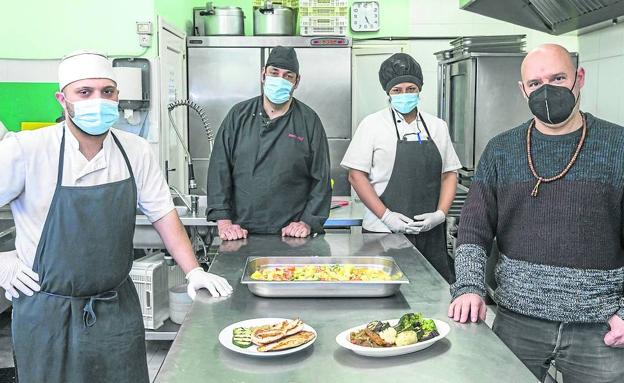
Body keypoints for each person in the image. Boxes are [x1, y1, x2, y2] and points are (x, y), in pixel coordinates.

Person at [0, 50, 233, 383]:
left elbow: (163, 214)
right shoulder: (26, 150)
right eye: (85, 92)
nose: (99, 100)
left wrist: (193, 270)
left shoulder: (134, 150)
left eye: (107, 91)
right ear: (62, 99)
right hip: (47, 313)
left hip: (115, 309)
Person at [448, 44, 624, 382]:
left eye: (558, 78)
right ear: (523, 89)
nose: (546, 90)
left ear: (579, 79)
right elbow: (474, 229)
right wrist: (469, 285)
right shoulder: (501, 149)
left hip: (600, 329)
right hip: (515, 321)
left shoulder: (618, 147)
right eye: (535, 83)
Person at [341, 53, 461, 281]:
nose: (404, 94)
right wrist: (387, 217)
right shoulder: (372, 125)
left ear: (419, 89)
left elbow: (449, 174)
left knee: (432, 295)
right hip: (382, 232)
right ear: (388, 92)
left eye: (410, 88)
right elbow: (356, 176)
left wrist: (440, 214)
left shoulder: (437, 126)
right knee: (384, 299)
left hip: (430, 233)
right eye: (397, 90)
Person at [206, 46, 331, 241]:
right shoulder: (238, 116)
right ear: (263, 75)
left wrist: (307, 222)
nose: (280, 80)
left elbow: (321, 179)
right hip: (240, 233)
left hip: (292, 235)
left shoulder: (309, 121)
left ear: (297, 82)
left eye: (288, 76)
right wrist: (224, 222)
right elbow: (219, 169)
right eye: (274, 73)